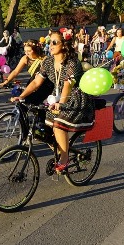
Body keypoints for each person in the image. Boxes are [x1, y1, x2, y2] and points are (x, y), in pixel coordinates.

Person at [12, 31, 95, 173]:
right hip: (57, 98)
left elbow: (68, 86)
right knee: (44, 129)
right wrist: (22, 96)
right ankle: (60, 149)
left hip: (75, 99)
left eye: (55, 42)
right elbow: (37, 82)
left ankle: (64, 158)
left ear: (64, 45)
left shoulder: (72, 62)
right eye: (50, 42)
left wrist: (61, 103)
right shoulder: (48, 61)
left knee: (58, 125)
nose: (50, 45)